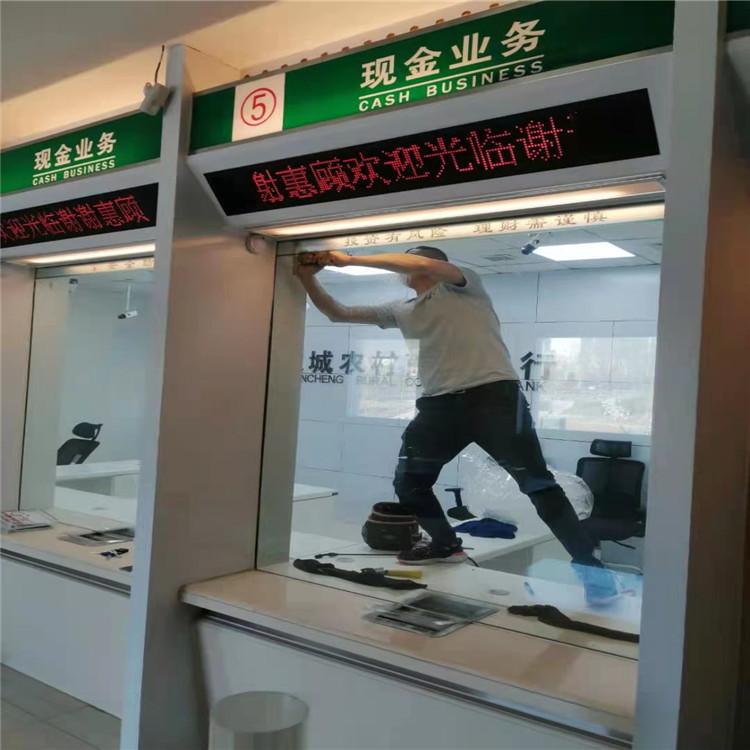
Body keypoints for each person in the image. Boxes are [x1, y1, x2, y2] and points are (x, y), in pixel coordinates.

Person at [295, 246, 619, 606]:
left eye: (410, 259)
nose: (404, 266)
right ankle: (445, 544)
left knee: (539, 485)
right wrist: (307, 278)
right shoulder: (401, 309)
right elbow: (337, 313)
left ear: (434, 264)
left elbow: (422, 263)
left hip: (493, 398)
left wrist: (350, 260)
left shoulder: (465, 286)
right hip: (438, 406)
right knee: (409, 483)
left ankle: (593, 571)